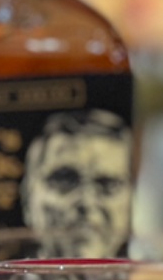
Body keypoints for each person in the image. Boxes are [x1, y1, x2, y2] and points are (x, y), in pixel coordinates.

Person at [21, 109, 134, 258]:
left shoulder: (155, 267)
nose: (87, 202)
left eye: (108, 185)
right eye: (65, 180)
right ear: (27, 196)